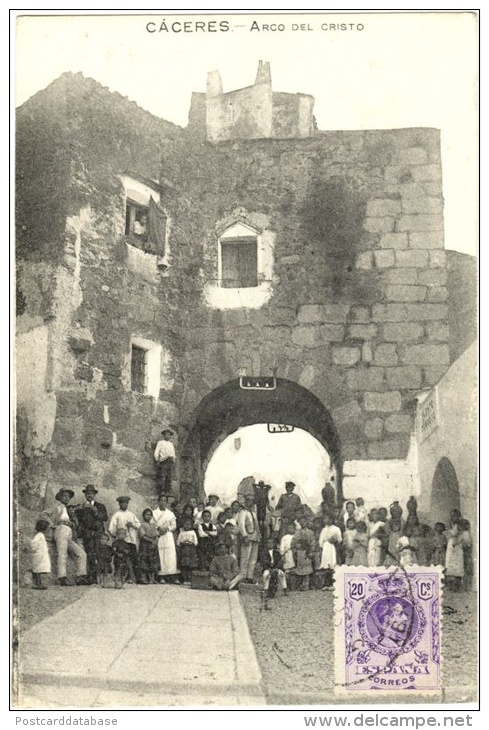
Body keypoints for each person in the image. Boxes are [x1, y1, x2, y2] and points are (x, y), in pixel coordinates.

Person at [42, 488, 89, 586]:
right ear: (60, 497)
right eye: (64, 496)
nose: (66, 498)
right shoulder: (57, 506)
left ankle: (80, 576)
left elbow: (74, 525)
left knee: (82, 554)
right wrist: (52, 524)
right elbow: (44, 514)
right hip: (61, 529)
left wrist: (73, 520)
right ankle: (62, 577)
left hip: (69, 532)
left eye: (68, 496)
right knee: (62, 553)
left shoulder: (69, 510)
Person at [75, 484, 108, 585]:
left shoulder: (100, 506)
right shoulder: (81, 507)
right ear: (85, 495)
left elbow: (105, 517)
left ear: (94, 495)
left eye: (91, 493)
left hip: (98, 533)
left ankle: (101, 578)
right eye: (88, 493)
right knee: (90, 555)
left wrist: (96, 511)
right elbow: (78, 520)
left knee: (100, 554)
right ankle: (91, 578)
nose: (89, 495)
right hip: (88, 534)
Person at [108, 496, 140, 583]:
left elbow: (138, 525)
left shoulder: (131, 514)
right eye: (122, 503)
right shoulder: (116, 515)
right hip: (121, 542)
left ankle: (130, 577)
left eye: (126, 503)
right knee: (122, 560)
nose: (124, 505)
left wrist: (132, 525)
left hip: (131, 540)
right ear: (119, 504)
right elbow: (111, 529)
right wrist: (118, 536)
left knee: (132, 559)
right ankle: (121, 577)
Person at [153, 494, 179, 584]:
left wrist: (167, 529)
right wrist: (159, 528)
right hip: (159, 535)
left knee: (170, 555)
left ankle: (172, 575)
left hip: (168, 535)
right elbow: (153, 524)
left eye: (165, 501)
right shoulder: (154, 513)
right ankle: (161, 576)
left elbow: (174, 526)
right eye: (161, 500)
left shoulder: (170, 513)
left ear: (167, 503)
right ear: (158, 501)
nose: (163, 502)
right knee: (161, 554)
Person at [237, 494, 261, 583]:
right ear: (246, 501)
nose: (250, 503)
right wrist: (244, 536)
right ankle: (243, 575)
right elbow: (241, 525)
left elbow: (256, 525)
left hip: (255, 537)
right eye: (248, 500)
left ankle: (249, 576)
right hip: (247, 537)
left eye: (252, 501)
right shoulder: (243, 512)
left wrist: (258, 535)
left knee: (253, 558)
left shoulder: (254, 513)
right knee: (245, 558)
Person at [261, 536, 288, 610]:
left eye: (271, 543)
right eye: (268, 543)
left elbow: (280, 561)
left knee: (282, 574)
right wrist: (269, 568)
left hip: (276, 568)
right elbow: (263, 562)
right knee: (265, 575)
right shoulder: (263, 553)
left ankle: (285, 589)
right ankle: (266, 589)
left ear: (274, 544)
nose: (270, 544)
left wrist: (276, 568)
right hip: (268, 568)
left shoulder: (277, 552)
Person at [318, 513, 342, 590]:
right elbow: (321, 541)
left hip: (332, 547)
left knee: (333, 564)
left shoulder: (336, 528)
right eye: (325, 519)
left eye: (328, 518)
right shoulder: (323, 529)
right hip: (325, 548)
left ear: (332, 519)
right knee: (326, 565)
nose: (327, 520)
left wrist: (334, 540)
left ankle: (334, 583)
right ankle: (326, 583)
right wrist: (321, 548)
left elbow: (339, 539)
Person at [292, 517, 315, 591]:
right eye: (300, 521)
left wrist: (311, 551)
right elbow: (294, 542)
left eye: (304, 521)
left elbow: (313, 542)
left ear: (307, 522)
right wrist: (295, 548)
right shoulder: (297, 532)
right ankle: (301, 584)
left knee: (307, 568)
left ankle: (307, 584)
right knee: (300, 568)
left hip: (307, 552)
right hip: (300, 552)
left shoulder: (310, 532)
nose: (302, 523)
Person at [138, 509, 159, 584]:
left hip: (152, 546)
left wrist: (155, 541)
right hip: (145, 545)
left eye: (150, 515)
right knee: (144, 561)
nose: (149, 516)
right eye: (147, 514)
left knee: (153, 561)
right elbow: (143, 536)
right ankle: (144, 578)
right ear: (143, 516)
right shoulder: (142, 525)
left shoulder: (153, 525)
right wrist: (151, 541)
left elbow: (157, 535)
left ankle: (152, 579)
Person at [30, 519, 51, 590]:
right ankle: (37, 584)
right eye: (47, 528)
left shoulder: (41, 535)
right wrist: (35, 551)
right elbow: (34, 544)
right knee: (37, 571)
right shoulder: (39, 536)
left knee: (39, 570)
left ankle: (39, 583)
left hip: (41, 555)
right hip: (39, 555)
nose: (48, 530)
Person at [153, 428, 176, 496]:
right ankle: (161, 491)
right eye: (166, 435)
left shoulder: (171, 444)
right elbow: (157, 451)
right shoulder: (160, 442)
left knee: (169, 477)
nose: (168, 436)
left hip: (170, 461)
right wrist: (157, 459)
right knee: (162, 476)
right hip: (163, 461)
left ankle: (167, 491)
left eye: (169, 435)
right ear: (164, 435)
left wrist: (173, 459)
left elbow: (173, 453)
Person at [177, 516, 199, 583]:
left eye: (189, 524)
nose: (187, 526)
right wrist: (181, 543)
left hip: (191, 550)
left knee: (191, 565)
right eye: (185, 524)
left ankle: (190, 579)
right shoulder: (181, 533)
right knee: (184, 565)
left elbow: (196, 542)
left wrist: (192, 543)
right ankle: (185, 579)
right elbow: (178, 541)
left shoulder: (193, 532)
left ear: (191, 525)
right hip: (184, 550)